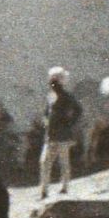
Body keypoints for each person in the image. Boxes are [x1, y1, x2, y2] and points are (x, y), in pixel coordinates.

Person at [40, 67, 83, 199]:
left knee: (63, 162)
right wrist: (46, 120)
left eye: (55, 81)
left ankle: (64, 187)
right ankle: (44, 191)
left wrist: (69, 123)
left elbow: (78, 110)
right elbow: (46, 112)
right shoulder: (50, 96)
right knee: (45, 162)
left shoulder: (67, 97)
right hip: (51, 135)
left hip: (62, 135)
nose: (52, 84)